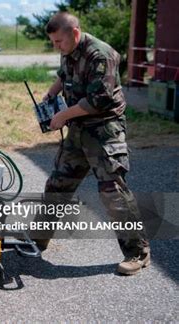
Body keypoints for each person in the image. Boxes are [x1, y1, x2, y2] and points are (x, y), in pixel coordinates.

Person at [36, 12, 150, 275]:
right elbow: (64, 76)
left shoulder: (101, 55)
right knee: (57, 184)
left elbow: (98, 101)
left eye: (59, 42)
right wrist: (51, 93)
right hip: (78, 129)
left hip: (104, 131)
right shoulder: (69, 49)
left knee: (113, 193)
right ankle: (38, 238)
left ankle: (138, 252)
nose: (57, 47)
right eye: (53, 42)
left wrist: (62, 115)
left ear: (75, 33)